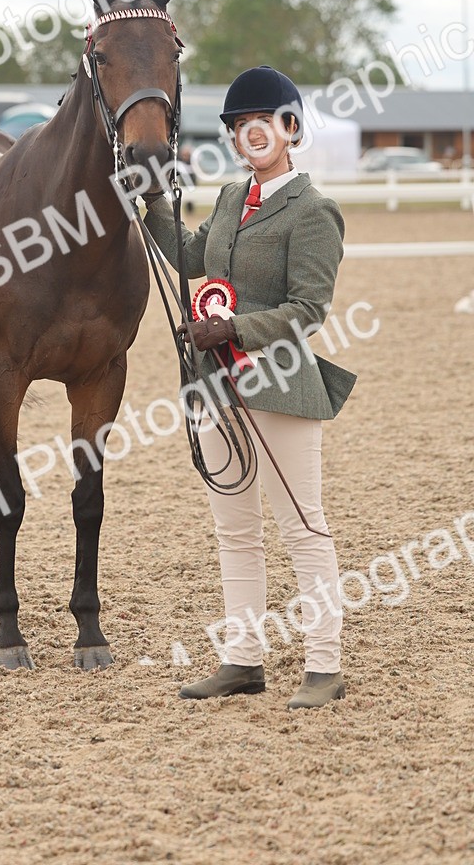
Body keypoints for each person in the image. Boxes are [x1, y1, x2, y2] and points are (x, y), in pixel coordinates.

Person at [144, 65, 356, 710]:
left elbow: (308, 310)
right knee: (234, 532)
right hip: (215, 385)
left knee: (302, 527)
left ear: (290, 128)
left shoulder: (314, 211)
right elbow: (190, 256)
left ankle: (325, 665)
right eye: (239, 127)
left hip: (281, 384)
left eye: (260, 122)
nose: (249, 134)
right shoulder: (234, 200)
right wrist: (154, 199)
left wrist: (233, 326)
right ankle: (243, 659)